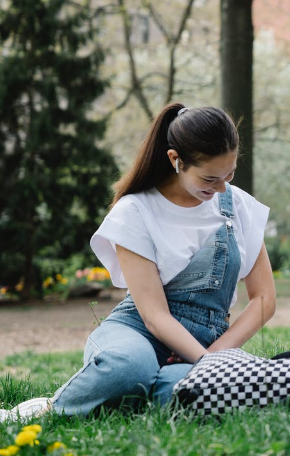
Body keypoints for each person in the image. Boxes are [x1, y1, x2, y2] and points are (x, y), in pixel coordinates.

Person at [0, 104, 275, 421]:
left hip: (207, 345)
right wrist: (207, 365)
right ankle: (47, 409)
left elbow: (264, 300)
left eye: (229, 174)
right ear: (176, 160)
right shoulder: (136, 211)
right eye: (210, 178)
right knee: (132, 367)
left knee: (190, 390)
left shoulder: (237, 206)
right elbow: (155, 316)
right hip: (138, 334)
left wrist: (210, 359)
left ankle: (124, 397)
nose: (222, 188)